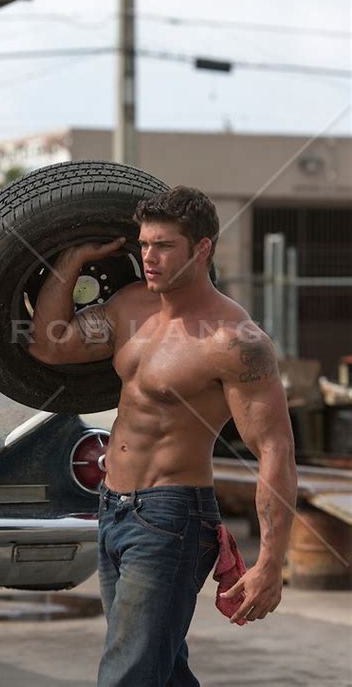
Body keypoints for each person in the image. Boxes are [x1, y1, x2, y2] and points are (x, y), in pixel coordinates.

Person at [28, 185, 298, 687]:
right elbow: (50, 346)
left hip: (171, 519)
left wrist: (270, 560)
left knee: (128, 672)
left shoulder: (234, 341)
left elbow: (275, 448)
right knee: (160, 668)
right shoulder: (132, 306)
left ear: (202, 249)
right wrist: (73, 260)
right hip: (112, 507)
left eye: (164, 246)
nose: (148, 258)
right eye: (144, 244)